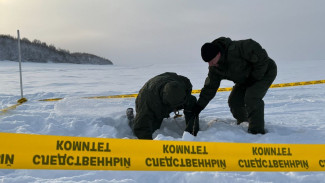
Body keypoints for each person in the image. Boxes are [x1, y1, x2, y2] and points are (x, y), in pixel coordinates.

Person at [192, 37, 277, 134]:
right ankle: (244, 123)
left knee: (252, 98)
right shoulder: (215, 68)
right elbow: (210, 87)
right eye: (208, 62)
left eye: (211, 60)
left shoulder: (237, 49)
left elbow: (261, 57)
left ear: (218, 54)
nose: (210, 64)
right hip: (245, 78)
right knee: (234, 101)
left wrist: (255, 76)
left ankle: (256, 132)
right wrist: (199, 106)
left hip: (265, 71)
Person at [127, 72, 199, 140]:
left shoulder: (182, 84)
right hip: (148, 98)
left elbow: (187, 85)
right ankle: (131, 120)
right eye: (174, 106)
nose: (175, 109)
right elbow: (141, 129)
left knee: (191, 101)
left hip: (166, 91)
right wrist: (150, 148)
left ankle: (192, 132)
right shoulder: (148, 102)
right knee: (150, 128)